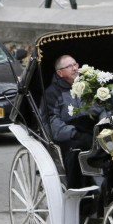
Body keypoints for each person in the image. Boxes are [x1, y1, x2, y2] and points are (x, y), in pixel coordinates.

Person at [39, 54, 100, 186]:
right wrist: (74, 133)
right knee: (79, 149)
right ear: (60, 73)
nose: (74, 68)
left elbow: (102, 108)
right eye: (69, 66)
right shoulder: (52, 93)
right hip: (70, 136)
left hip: (93, 129)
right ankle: (82, 192)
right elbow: (51, 121)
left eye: (75, 64)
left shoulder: (89, 85)